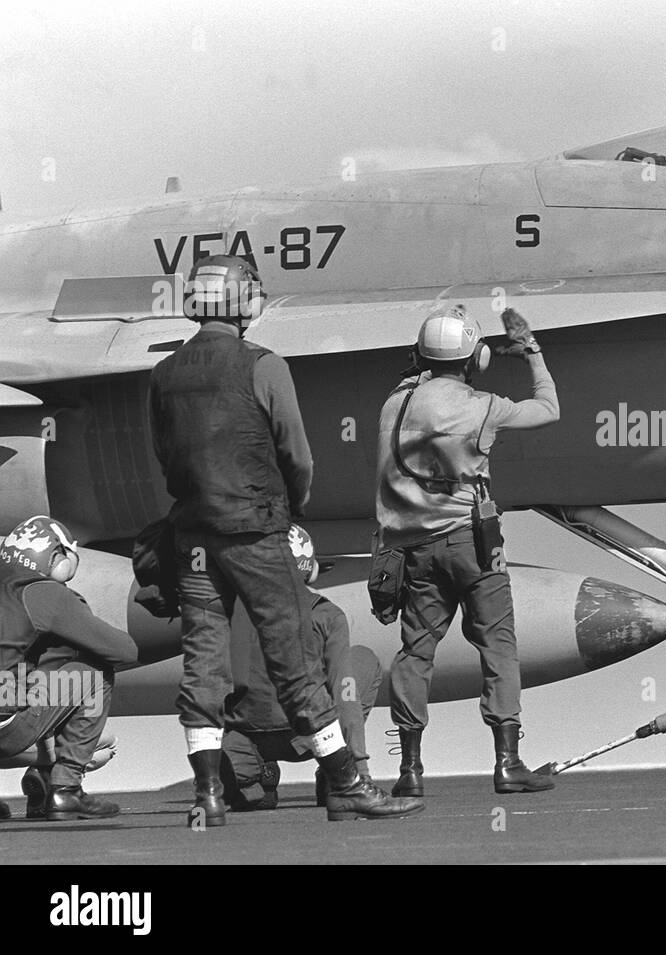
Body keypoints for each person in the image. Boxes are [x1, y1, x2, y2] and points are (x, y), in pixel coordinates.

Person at [148, 253, 421, 824]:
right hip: (255, 531)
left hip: (193, 538)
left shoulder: (163, 373)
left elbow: (165, 455)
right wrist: (288, 512)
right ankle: (345, 783)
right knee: (294, 655)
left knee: (203, 662)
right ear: (246, 302)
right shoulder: (264, 365)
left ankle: (208, 797)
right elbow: (296, 453)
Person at [377, 303, 558, 795]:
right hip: (473, 544)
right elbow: (548, 407)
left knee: (415, 653)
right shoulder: (484, 406)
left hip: (414, 550)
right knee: (497, 645)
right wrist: (531, 352)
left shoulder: (394, 404)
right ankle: (508, 763)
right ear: (475, 358)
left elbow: (414, 376)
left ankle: (409, 772)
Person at [219, 525, 383, 811]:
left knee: (238, 784)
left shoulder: (232, 613)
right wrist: (357, 772)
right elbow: (344, 692)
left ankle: (259, 783)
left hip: (247, 742)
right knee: (363, 660)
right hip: (315, 735)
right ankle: (335, 774)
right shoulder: (326, 615)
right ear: (310, 569)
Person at [0, 515, 137, 819]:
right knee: (96, 671)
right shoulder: (39, 591)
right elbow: (124, 651)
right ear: (54, 554)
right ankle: (66, 790)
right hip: (5, 727)